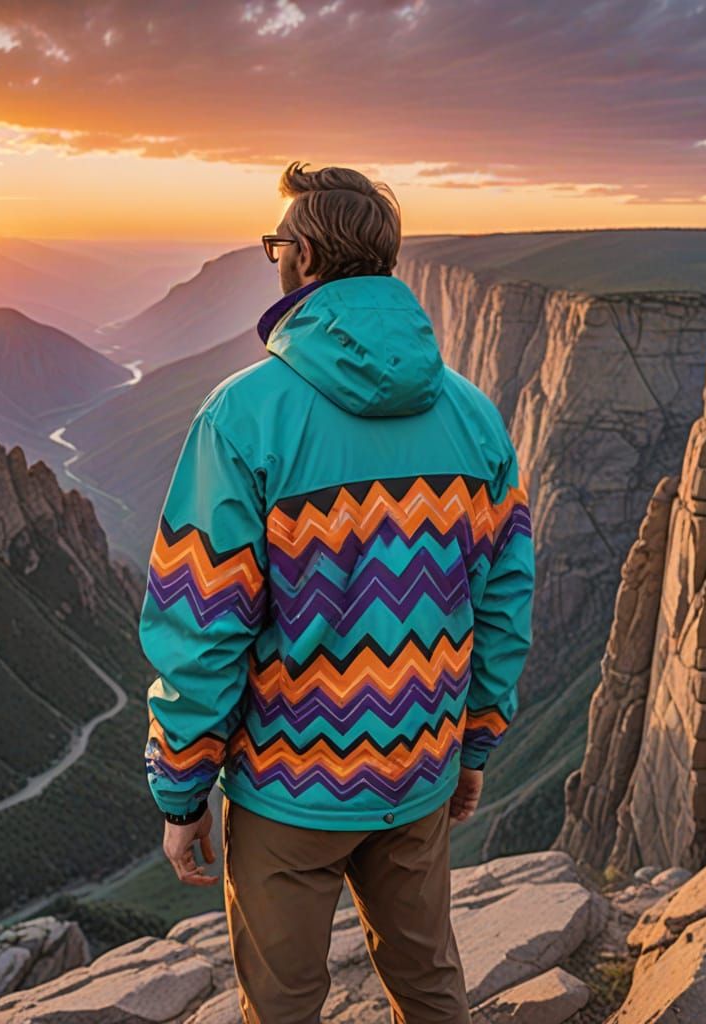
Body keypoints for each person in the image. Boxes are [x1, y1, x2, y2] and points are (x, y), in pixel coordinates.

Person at [139, 160, 535, 1023]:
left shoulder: (242, 417)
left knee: (283, 1004)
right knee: (430, 983)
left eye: (275, 244)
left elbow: (203, 626)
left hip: (289, 791)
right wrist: (474, 744)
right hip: (420, 769)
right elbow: (505, 605)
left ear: (306, 256)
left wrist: (182, 791)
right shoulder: (474, 416)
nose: (275, 256)